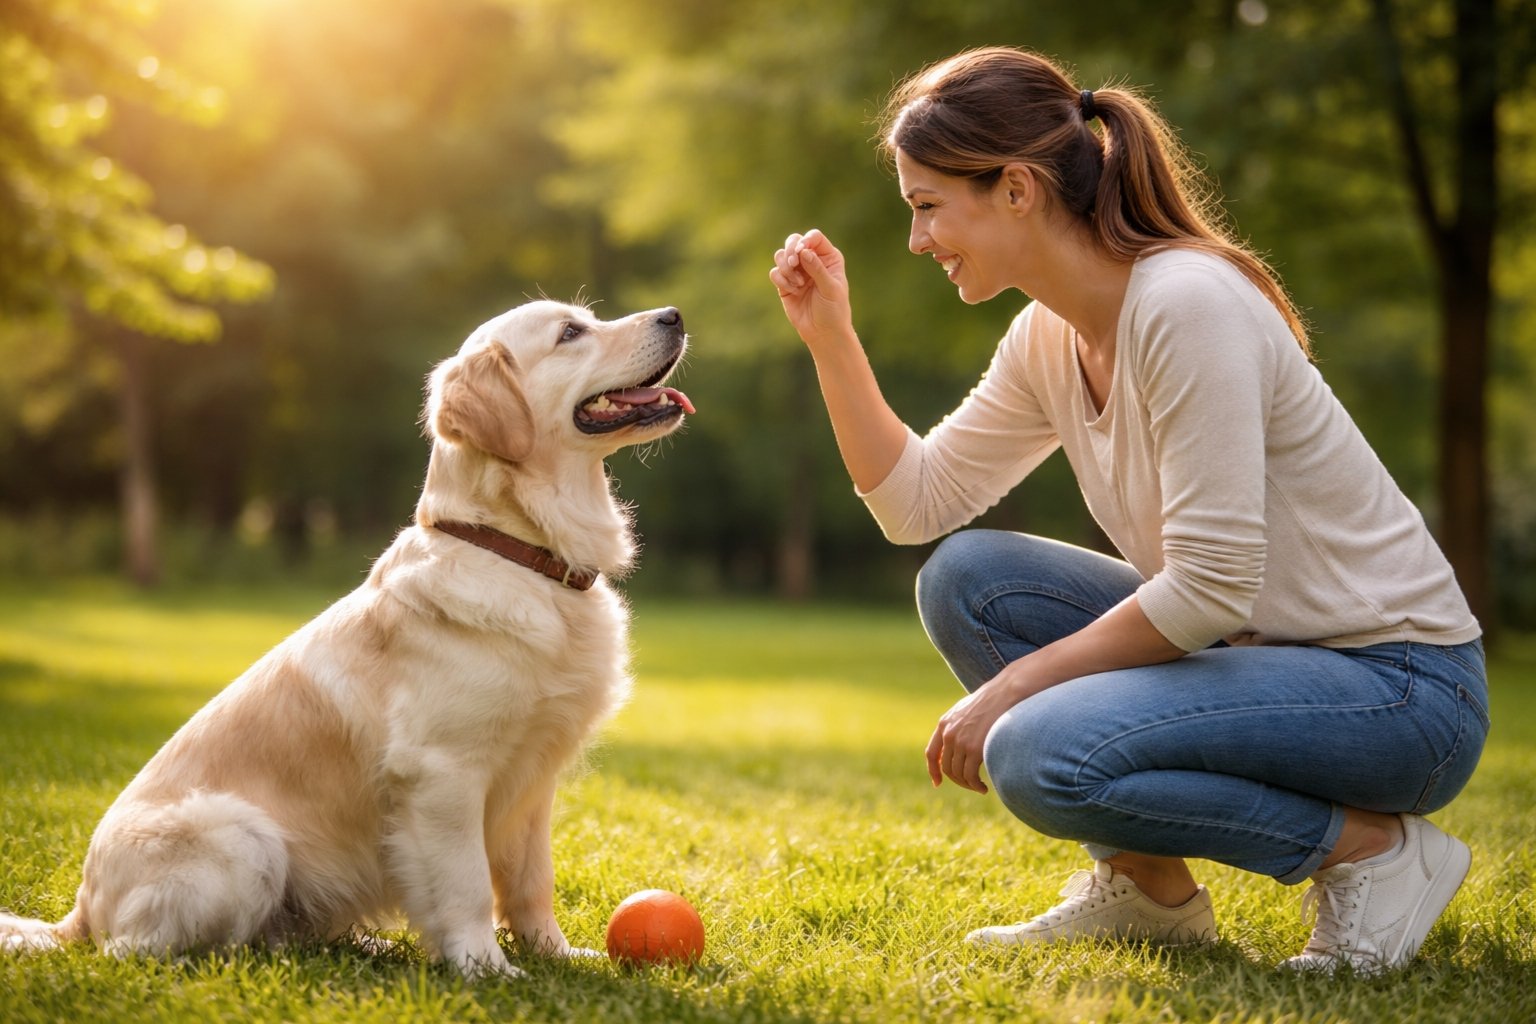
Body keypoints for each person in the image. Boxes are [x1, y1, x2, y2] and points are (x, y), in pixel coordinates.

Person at [768, 46, 1487, 974]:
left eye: (927, 206)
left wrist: (1015, 687)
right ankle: (1148, 892)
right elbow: (917, 505)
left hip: (1402, 692)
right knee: (969, 580)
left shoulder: (1186, 306)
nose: (918, 240)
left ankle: (1375, 855)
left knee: (1035, 752)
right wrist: (831, 339)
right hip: (1265, 660)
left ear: (1018, 189)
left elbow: (1212, 587)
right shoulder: (1047, 336)